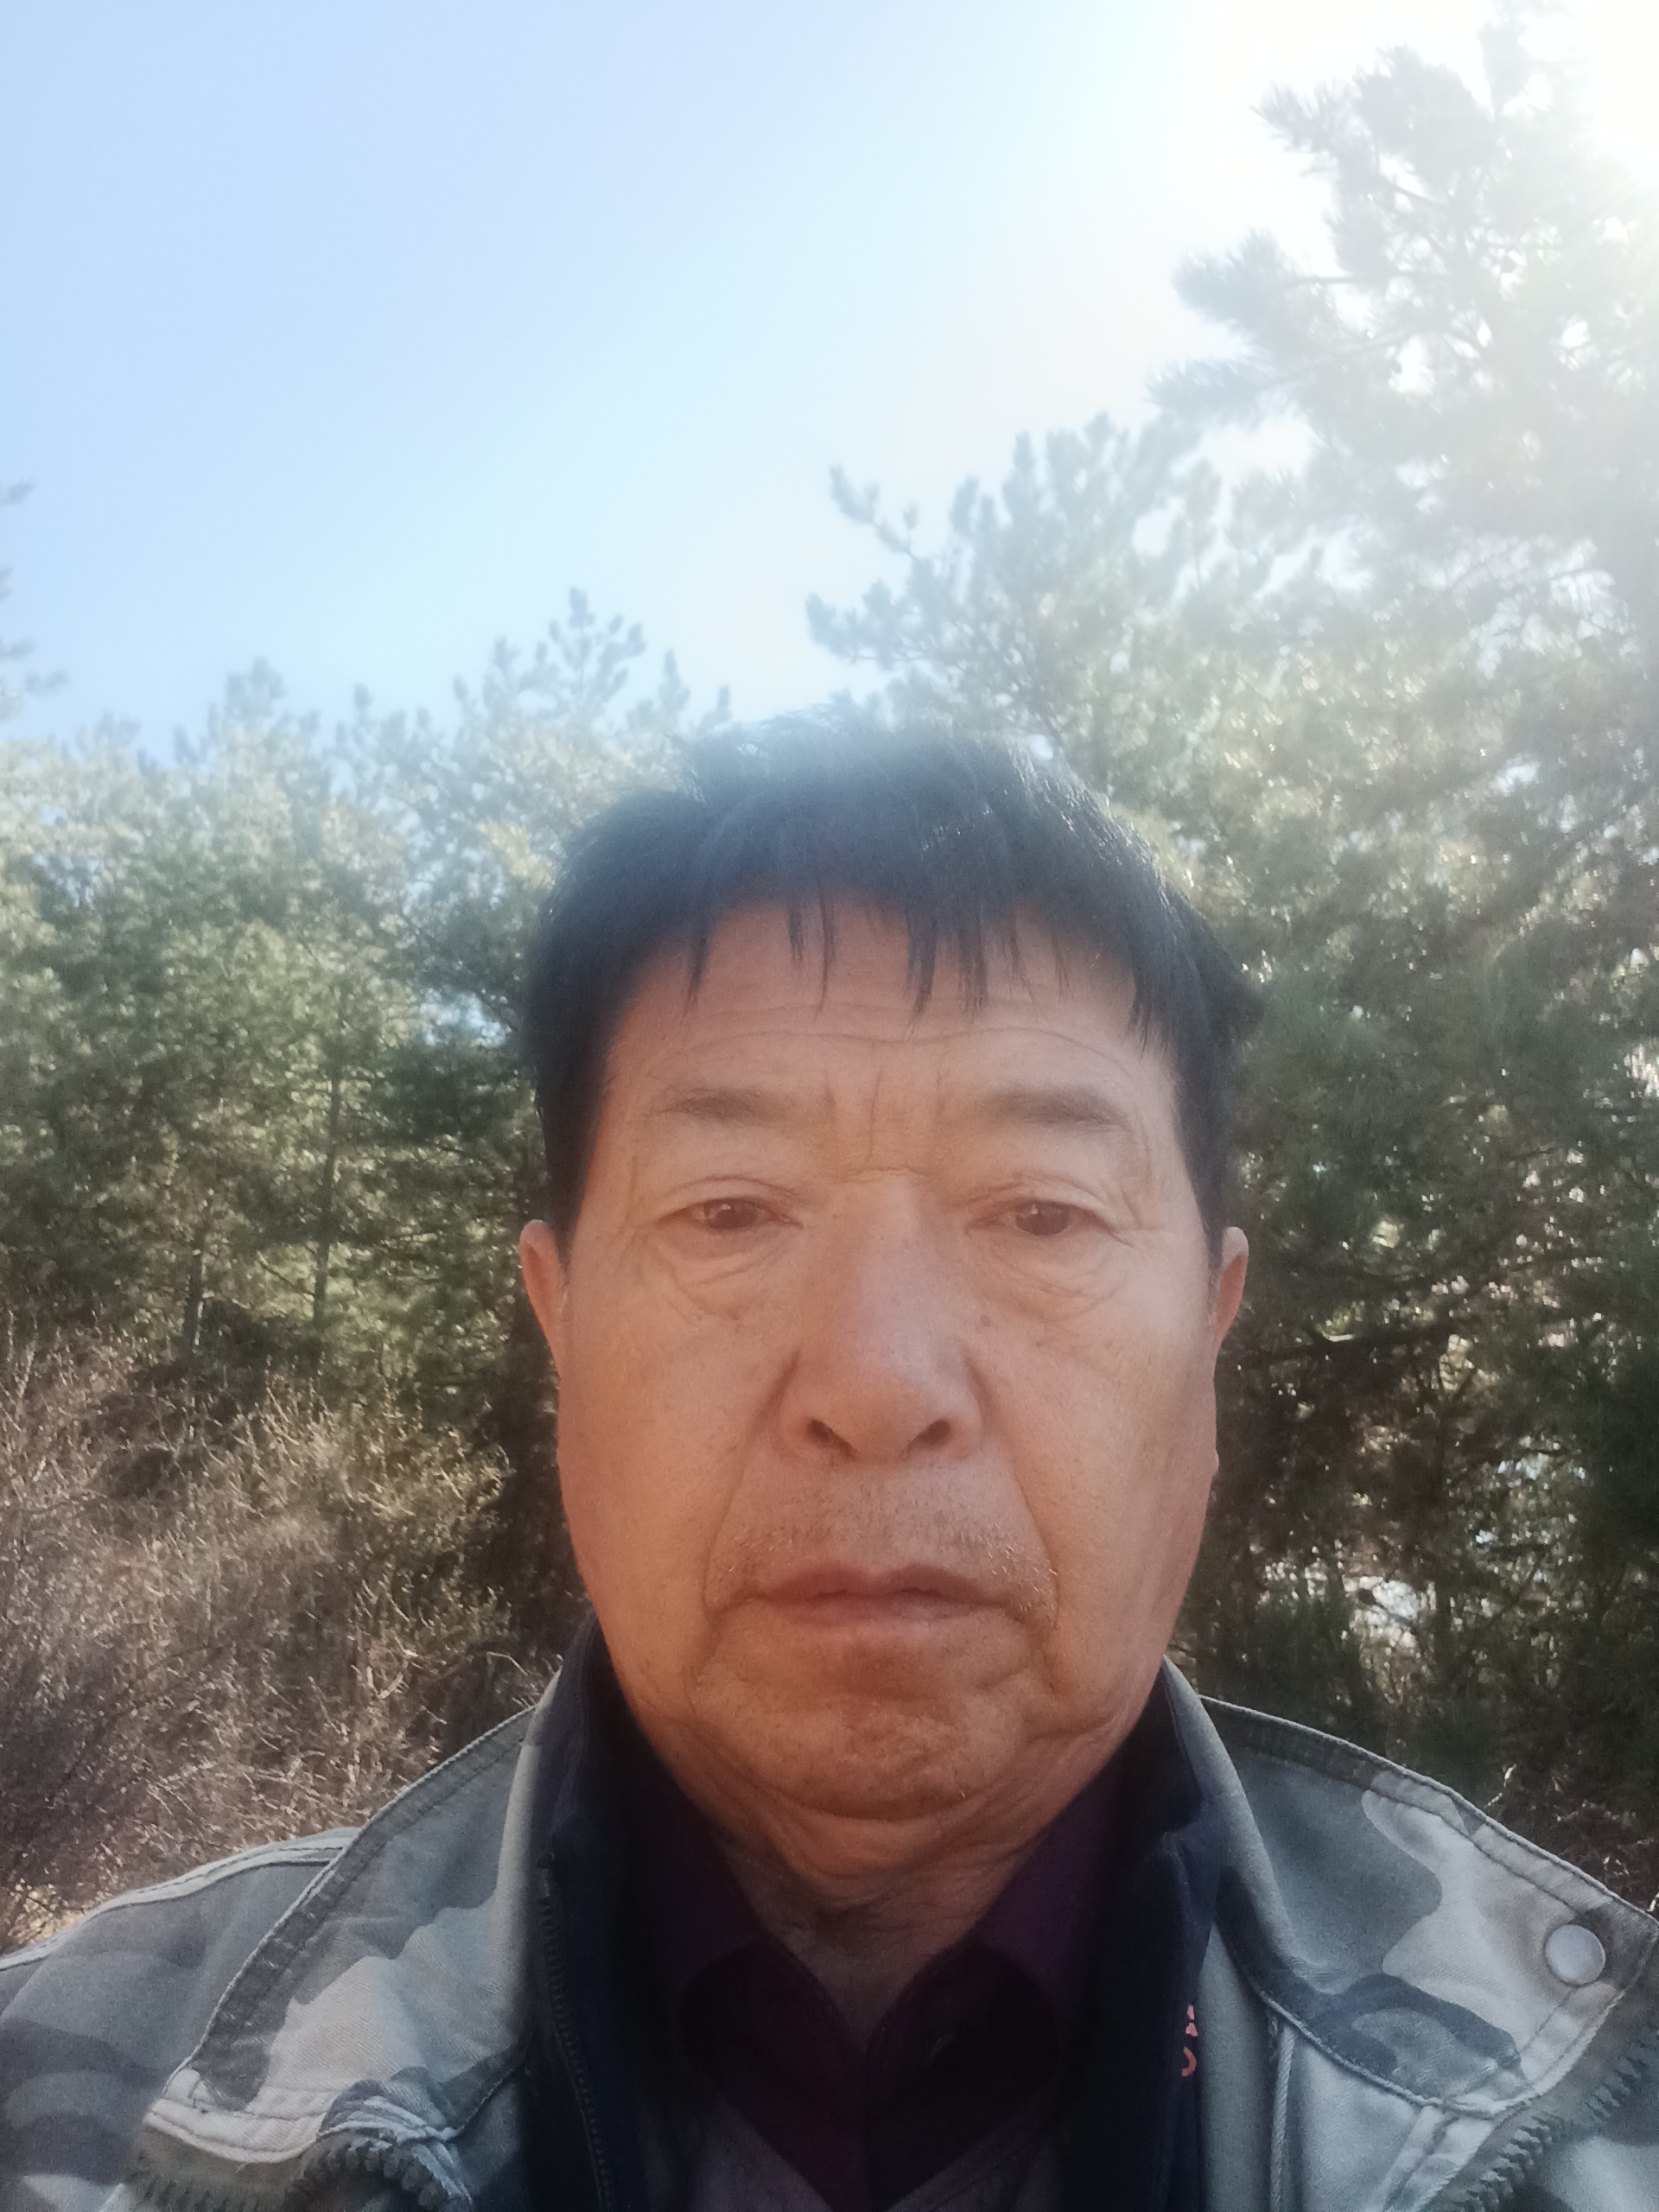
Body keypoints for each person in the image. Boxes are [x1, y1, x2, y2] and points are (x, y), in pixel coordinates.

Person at [3, 729, 1655, 2212]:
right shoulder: (67, 2094)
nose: (877, 1382)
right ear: (562, 1329)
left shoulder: (1596, 2109)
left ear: (1208, 1340)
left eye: (1044, 1214)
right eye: (729, 1210)